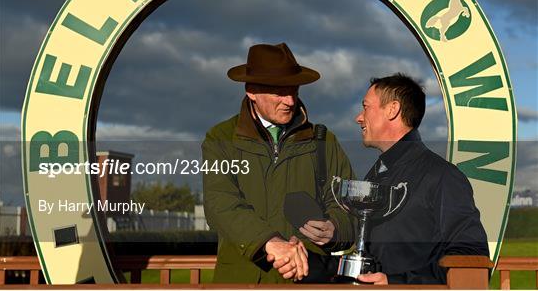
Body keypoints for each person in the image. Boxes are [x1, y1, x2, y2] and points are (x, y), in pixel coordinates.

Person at [202, 43, 354, 283]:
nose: (290, 101)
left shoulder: (324, 141)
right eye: (279, 92)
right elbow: (219, 203)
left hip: (308, 278)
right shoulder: (220, 138)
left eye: (293, 90)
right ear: (251, 91)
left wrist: (334, 229)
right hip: (242, 281)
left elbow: (348, 205)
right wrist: (269, 242)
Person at [354, 74, 489, 285]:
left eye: (366, 107)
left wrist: (397, 283)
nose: (359, 117)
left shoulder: (443, 176)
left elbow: (471, 257)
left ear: (392, 109)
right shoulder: (376, 173)